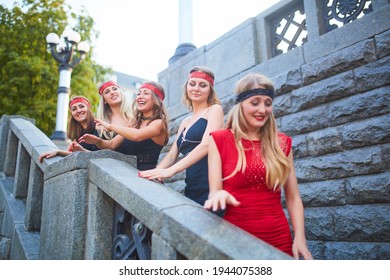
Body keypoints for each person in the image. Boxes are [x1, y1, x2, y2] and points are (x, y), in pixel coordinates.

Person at [203, 73, 312, 260]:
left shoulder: (282, 143)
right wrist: (218, 194)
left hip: (279, 237)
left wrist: (300, 239)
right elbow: (215, 191)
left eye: (268, 103)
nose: (263, 109)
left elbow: (293, 197)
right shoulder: (219, 139)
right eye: (255, 102)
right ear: (241, 104)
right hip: (236, 237)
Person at [139, 66, 224, 206]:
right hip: (191, 185)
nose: (196, 88)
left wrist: (171, 171)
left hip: (210, 183)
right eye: (192, 84)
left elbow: (206, 145)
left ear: (210, 90)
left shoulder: (215, 110)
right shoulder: (185, 122)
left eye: (202, 85)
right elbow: (172, 155)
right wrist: (156, 172)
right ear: (186, 88)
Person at [79, 81, 169, 171]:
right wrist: (97, 141)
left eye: (145, 93)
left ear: (156, 99)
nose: (140, 97)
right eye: (138, 93)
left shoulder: (159, 123)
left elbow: (136, 135)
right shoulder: (133, 123)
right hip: (127, 175)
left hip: (146, 178)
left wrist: (110, 126)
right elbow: (111, 145)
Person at [39, 95, 99, 162]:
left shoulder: (99, 127)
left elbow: (99, 155)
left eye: (82, 106)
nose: (78, 110)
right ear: (72, 114)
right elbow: (79, 153)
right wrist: (58, 152)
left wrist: (80, 150)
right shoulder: (79, 133)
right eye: (74, 109)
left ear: (89, 109)